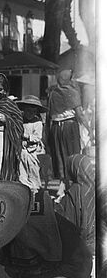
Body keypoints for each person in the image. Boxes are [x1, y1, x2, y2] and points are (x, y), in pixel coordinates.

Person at [47, 68, 92, 198]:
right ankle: (69, 187)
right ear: (69, 79)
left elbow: (49, 115)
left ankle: (62, 187)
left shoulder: (53, 93)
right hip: (69, 128)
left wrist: (47, 134)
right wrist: (89, 130)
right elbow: (79, 115)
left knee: (59, 156)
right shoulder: (73, 92)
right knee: (72, 155)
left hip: (56, 128)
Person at [0, 72, 24, 182]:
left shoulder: (9, 105)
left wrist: (7, 120)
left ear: (5, 90)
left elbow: (19, 125)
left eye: (0, 89)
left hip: (3, 143)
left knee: (1, 169)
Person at [55, 154, 95, 255]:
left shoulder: (75, 190)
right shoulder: (97, 188)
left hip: (82, 247)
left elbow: (66, 220)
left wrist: (57, 202)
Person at [16, 95, 47, 194]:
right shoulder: (20, 121)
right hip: (21, 150)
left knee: (33, 171)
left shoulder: (37, 122)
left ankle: (35, 191)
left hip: (32, 152)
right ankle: (25, 190)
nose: (30, 114)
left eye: (33, 111)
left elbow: (37, 137)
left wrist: (26, 136)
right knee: (22, 172)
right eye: (28, 111)